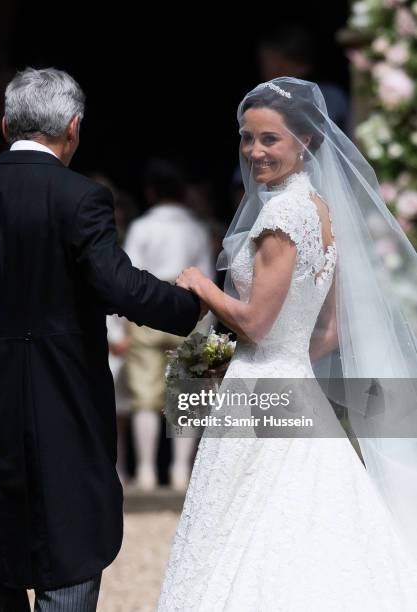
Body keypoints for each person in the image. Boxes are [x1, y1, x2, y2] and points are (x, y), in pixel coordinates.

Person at [0, 67, 203, 612]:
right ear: (73, 128)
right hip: (65, 402)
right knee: (69, 558)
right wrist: (194, 305)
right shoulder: (82, 197)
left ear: (5, 125)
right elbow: (118, 285)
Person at [157, 77, 417, 610]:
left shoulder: (279, 217)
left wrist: (201, 284)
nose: (254, 151)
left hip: (260, 390)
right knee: (302, 514)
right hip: (293, 385)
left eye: (269, 139)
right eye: (246, 138)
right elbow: (332, 328)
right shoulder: (322, 211)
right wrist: (291, 359)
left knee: (241, 522)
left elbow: (254, 321)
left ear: (306, 142)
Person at [124, 159, 214, 492]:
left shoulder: (141, 227)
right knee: (187, 394)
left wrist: (119, 325)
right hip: (189, 310)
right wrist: (209, 325)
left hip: (147, 310)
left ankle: (146, 471)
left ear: (150, 192)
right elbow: (205, 279)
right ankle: (179, 472)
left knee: (144, 394)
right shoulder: (196, 228)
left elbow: (127, 278)